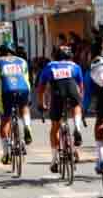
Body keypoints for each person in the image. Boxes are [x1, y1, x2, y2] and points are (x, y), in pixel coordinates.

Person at [36, 45, 85, 174]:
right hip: (72, 89)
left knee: (55, 128)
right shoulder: (75, 66)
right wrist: (80, 102)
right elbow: (81, 86)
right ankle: (77, 127)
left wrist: (42, 104)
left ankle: (55, 159)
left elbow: (41, 88)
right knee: (76, 107)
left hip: (57, 92)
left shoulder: (50, 66)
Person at [0, 44, 32, 165]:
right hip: (23, 89)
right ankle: (27, 127)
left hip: (6, 91)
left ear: (0, 53)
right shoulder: (22, 61)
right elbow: (27, 79)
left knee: (5, 120)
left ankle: (6, 154)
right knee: (24, 108)